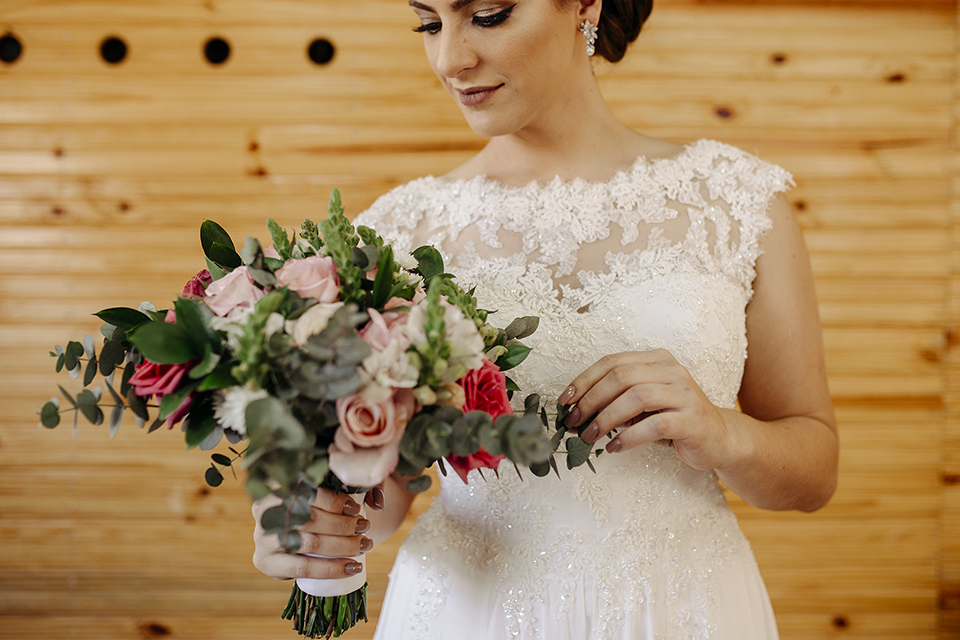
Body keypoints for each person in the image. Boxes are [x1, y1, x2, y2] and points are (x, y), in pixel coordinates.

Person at [252, 0, 838, 638]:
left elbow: (813, 472)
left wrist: (724, 434)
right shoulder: (393, 236)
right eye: (428, 23)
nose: (450, 59)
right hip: (469, 612)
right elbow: (383, 499)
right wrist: (309, 525)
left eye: (490, 14)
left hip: (679, 607)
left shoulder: (739, 204)